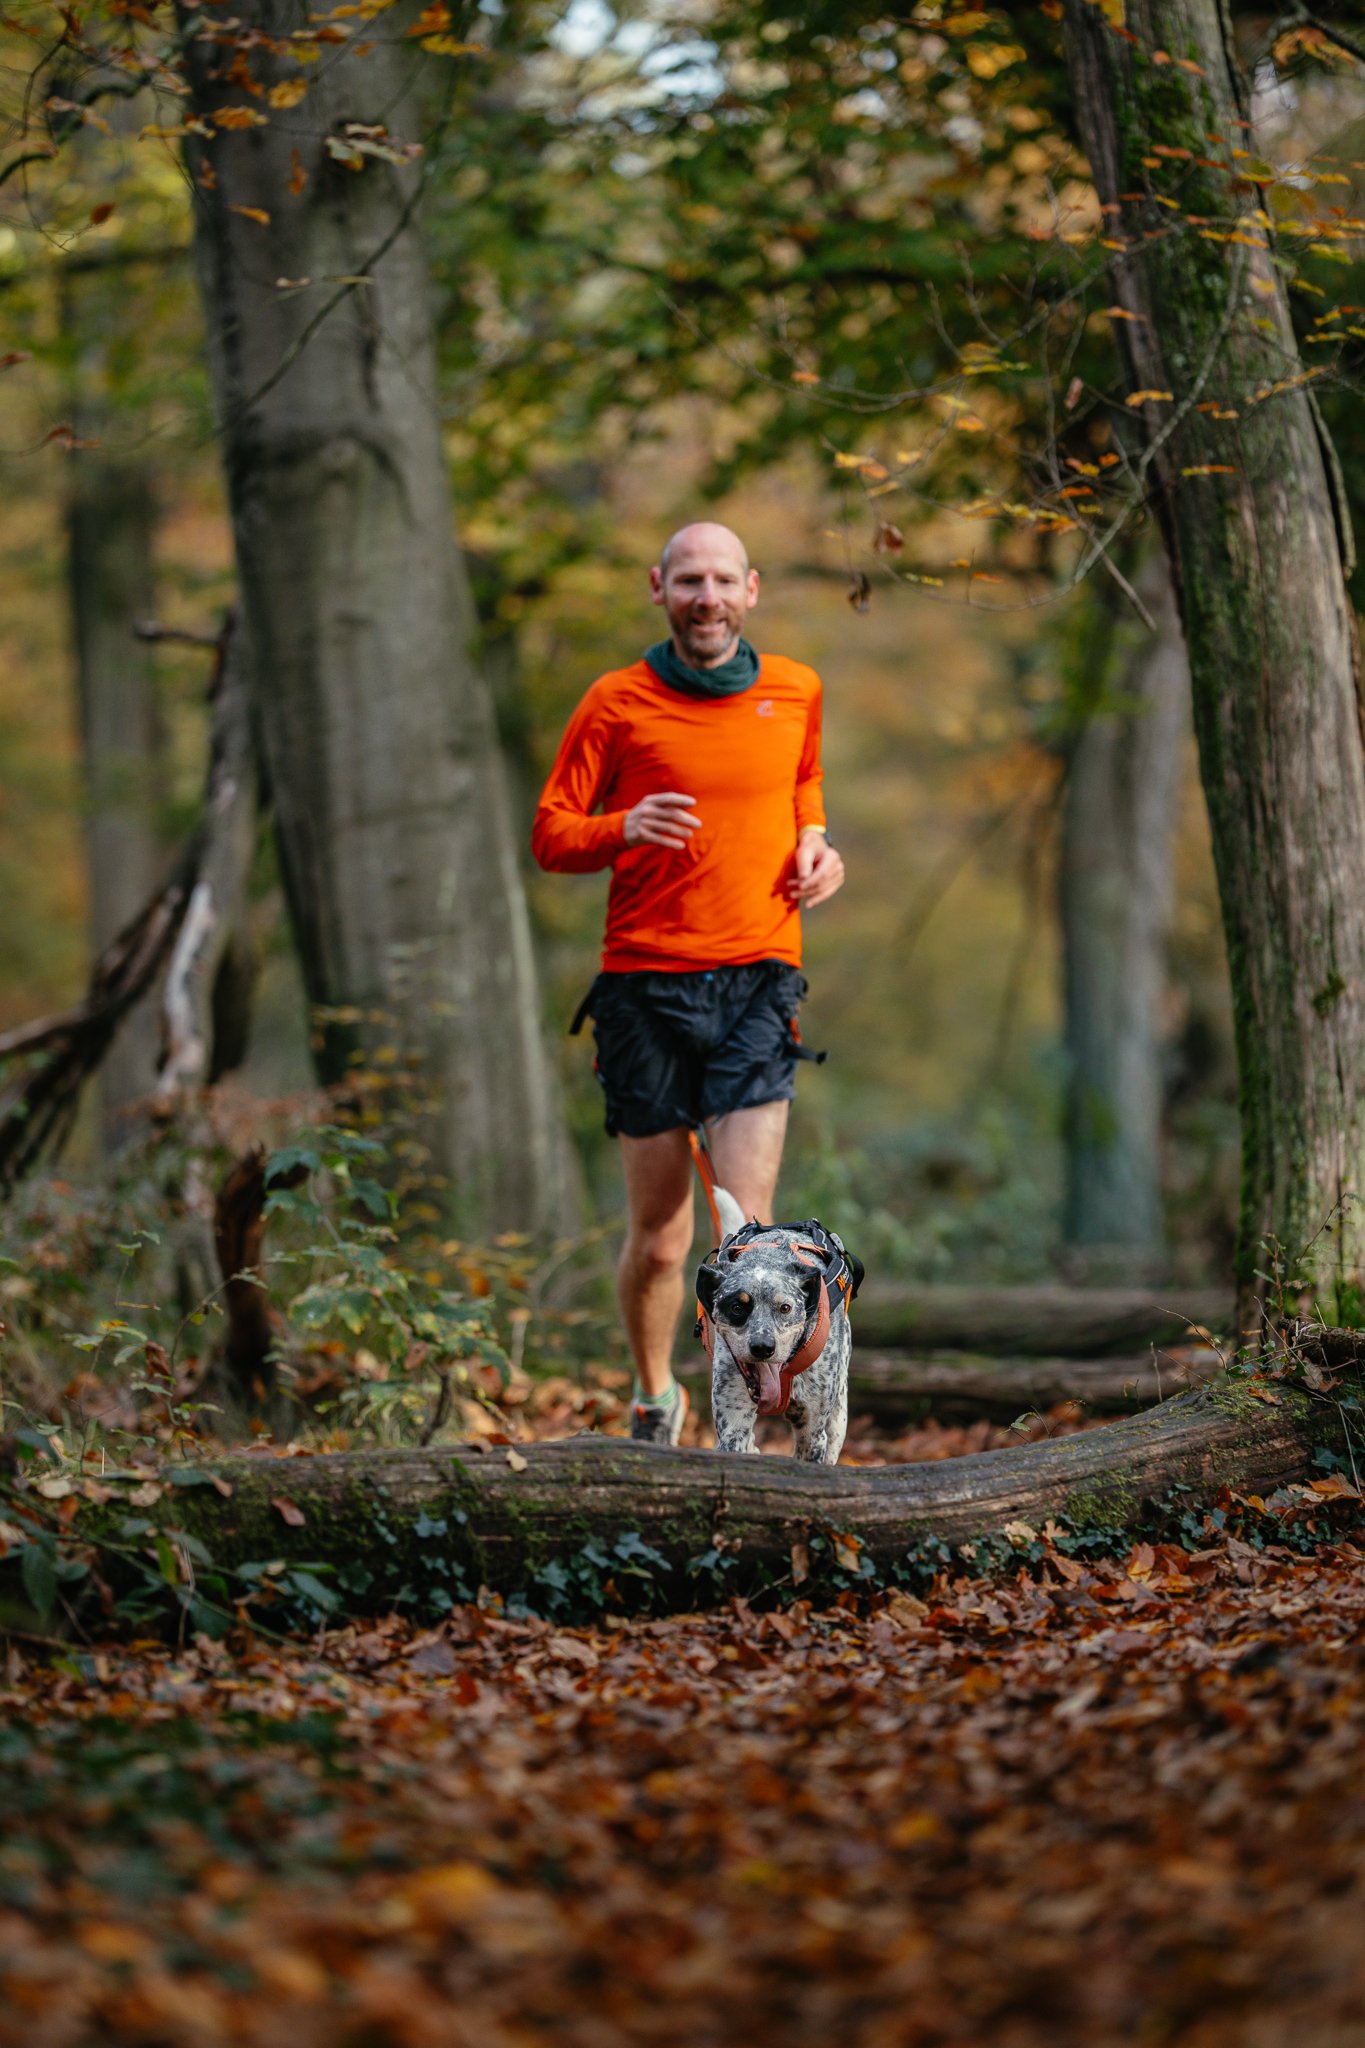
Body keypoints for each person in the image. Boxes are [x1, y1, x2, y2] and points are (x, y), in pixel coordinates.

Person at [531, 522, 845, 1442]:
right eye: (687, 581)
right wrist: (621, 826)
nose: (705, 597)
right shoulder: (614, 701)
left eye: (721, 580)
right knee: (664, 1240)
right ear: (657, 589)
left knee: (750, 1242)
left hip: (758, 981)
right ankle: (652, 1396)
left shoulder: (795, 688)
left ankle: (743, 1442)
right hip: (643, 990)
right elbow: (550, 834)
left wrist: (817, 844)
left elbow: (804, 782)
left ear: (750, 589)